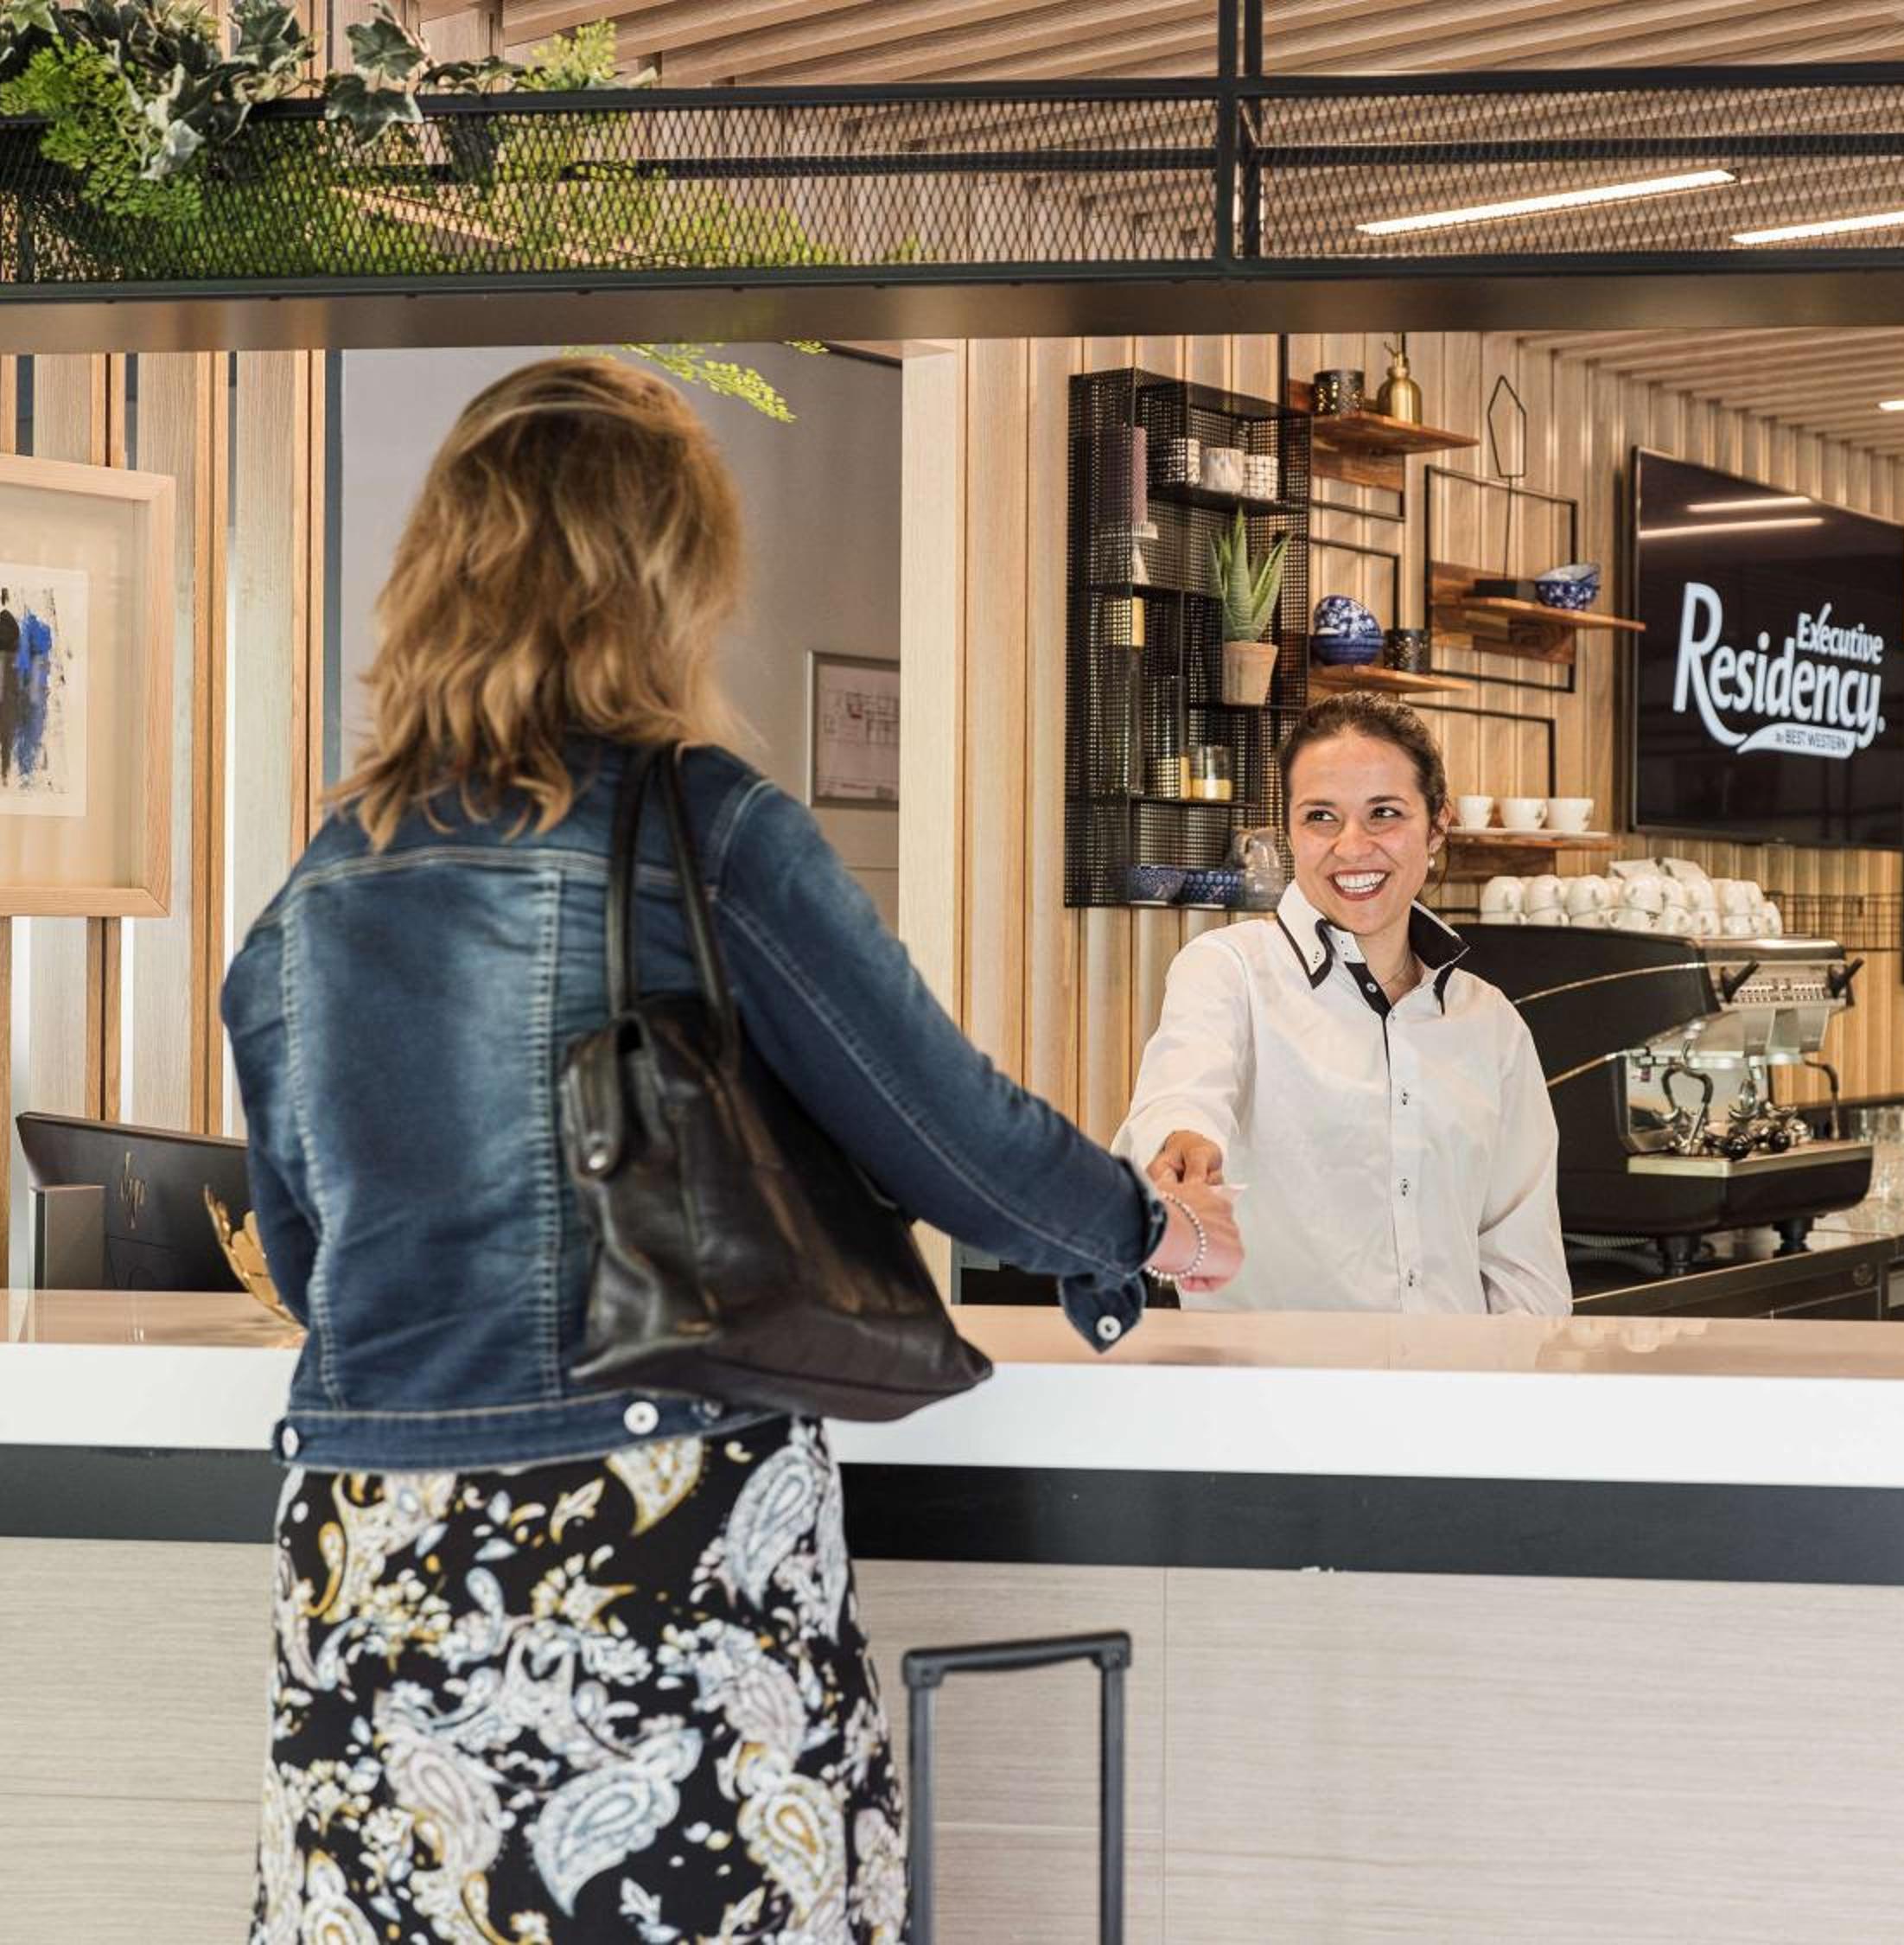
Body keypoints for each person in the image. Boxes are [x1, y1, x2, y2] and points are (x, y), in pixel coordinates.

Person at [220, 356, 1240, 1945]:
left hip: (373, 1558)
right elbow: (948, 1136)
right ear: (669, 579)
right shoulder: (701, 826)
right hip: (648, 1533)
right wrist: (1149, 1228)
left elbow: (305, 1255)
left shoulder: (325, 876)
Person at [1117, 694, 1569, 1316]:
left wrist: (1498, 1375)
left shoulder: (1491, 1023)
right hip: (1278, 1379)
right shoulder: (1229, 971)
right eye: (1321, 817)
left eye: (1384, 814)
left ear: (1437, 826)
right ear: (1291, 832)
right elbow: (1181, 1091)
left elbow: (1525, 1269)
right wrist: (1184, 1145)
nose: (1352, 847)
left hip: (1454, 1376)